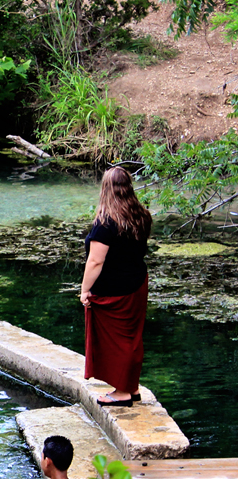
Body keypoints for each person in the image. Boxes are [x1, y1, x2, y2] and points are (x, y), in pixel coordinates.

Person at [80, 167, 152, 407]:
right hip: (137, 284)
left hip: (113, 291)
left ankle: (121, 393)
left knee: (116, 341)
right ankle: (131, 387)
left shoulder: (106, 223)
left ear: (106, 189)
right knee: (132, 338)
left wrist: (84, 291)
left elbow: (96, 261)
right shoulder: (142, 216)